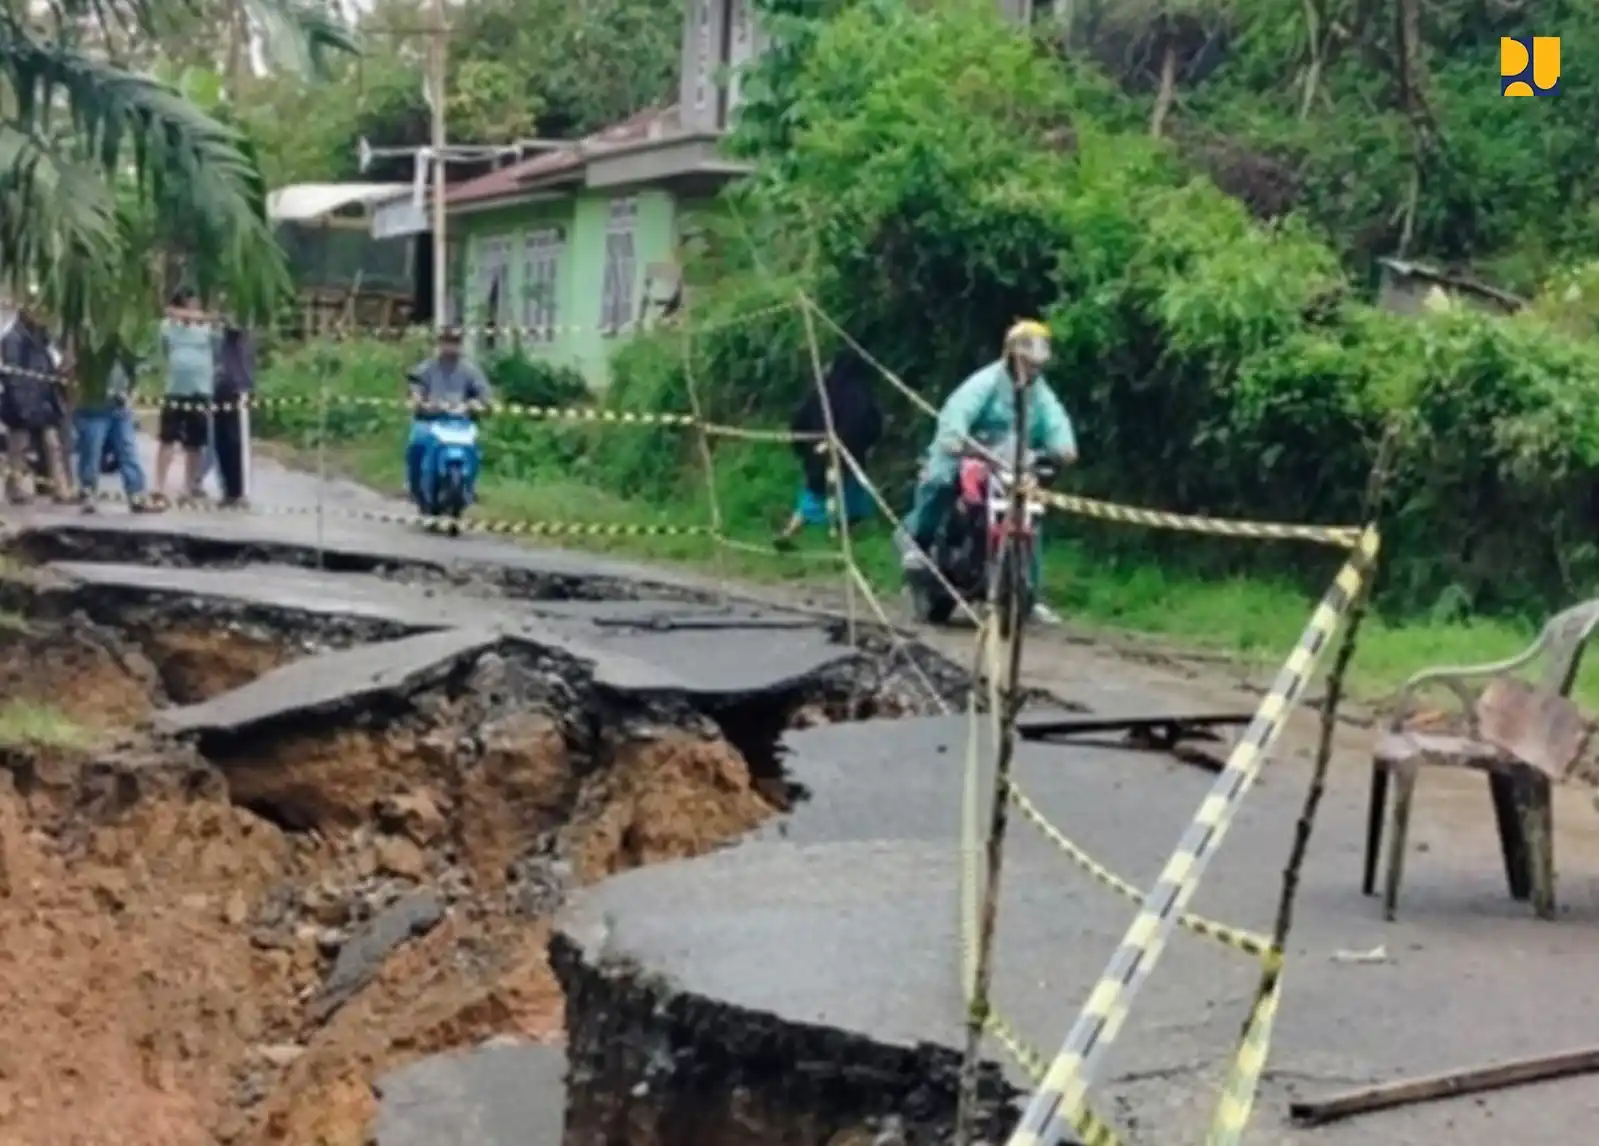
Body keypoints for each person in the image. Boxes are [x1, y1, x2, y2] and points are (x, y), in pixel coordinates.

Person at [899, 319, 1077, 578]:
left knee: (1028, 511)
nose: (1031, 369)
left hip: (1013, 463)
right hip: (970, 454)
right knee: (940, 481)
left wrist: (1064, 449)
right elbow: (959, 410)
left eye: (1036, 365)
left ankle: (1030, 591)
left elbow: (1056, 421)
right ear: (1012, 354)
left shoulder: (1040, 392)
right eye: (1026, 362)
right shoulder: (985, 382)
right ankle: (917, 542)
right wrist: (956, 440)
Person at [774, 347, 883, 549]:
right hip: (848, 457)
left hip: (818, 455)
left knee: (813, 495)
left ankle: (790, 532)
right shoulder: (859, 394)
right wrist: (866, 444)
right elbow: (869, 423)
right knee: (849, 500)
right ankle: (843, 540)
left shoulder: (821, 391)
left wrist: (803, 449)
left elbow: (799, 421)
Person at [405, 328, 491, 505]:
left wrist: (477, 404)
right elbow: (415, 387)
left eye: (455, 343)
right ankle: (415, 488)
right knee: (416, 445)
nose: (450, 347)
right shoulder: (427, 368)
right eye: (446, 342)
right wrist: (420, 401)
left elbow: (484, 394)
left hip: (460, 422)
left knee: (475, 450)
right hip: (430, 420)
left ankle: (470, 486)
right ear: (439, 344)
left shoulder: (470, 370)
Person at [0, 300, 72, 504]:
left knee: (52, 445)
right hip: (20, 403)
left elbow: (48, 365)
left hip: (42, 399)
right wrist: (22, 405)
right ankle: (15, 489)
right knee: (18, 449)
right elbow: (13, 375)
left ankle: (61, 489)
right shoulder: (13, 338)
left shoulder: (41, 337)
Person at [153, 288, 218, 503]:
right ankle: (159, 486)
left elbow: (220, 322)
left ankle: (189, 486)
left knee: (195, 443)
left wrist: (201, 318)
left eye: (195, 304)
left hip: (200, 390)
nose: (193, 309)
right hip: (175, 390)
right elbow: (168, 313)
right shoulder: (170, 326)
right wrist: (184, 314)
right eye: (189, 304)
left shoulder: (207, 328)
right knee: (167, 439)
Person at [72, 344, 153, 513]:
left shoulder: (125, 343)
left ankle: (136, 492)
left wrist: (130, 391)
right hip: (94, 403)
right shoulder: (92, 340)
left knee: (127, 448)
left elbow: (134, 367)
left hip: (119, 403)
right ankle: (88, 491)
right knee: (92, 448)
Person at [211, 320, 255, 507]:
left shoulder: (240, 320)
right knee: (221, 441)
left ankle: (239, 491)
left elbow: (236, 325)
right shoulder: (217, 331)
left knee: (236, 440)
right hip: (219, 384)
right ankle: (228, 490)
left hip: (237, 385)